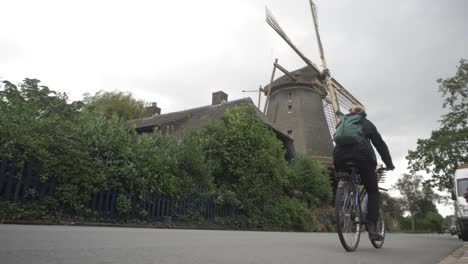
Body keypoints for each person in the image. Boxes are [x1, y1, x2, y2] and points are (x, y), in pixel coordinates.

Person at [333, 105, 395, 240]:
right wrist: (388, 163)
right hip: (362, 158)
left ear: (349, 113)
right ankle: (372, 227)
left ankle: (344, 199)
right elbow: (379, 144)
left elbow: (336, 140)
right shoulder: (366, 123)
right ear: (363, 113)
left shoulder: (342, 123)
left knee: (343, 177)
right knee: (373, 191)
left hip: (339, 158)